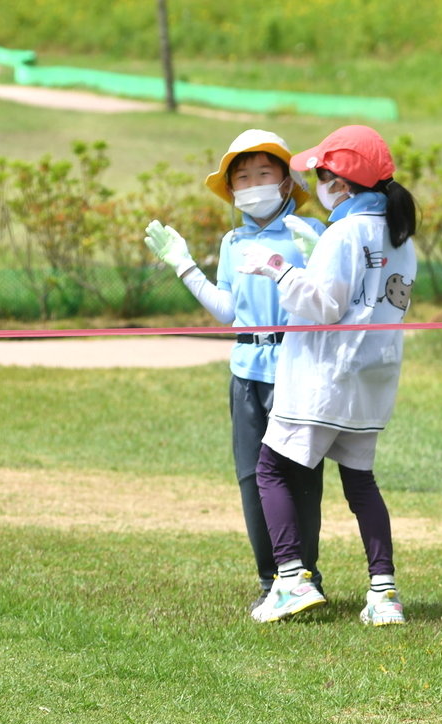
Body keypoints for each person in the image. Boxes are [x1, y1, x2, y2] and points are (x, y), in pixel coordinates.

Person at [237, 125, 417, 627]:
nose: (315, 183)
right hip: (371, 381)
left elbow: (323, 305)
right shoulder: (399, 235)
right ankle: (384, 593)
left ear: (341, 183)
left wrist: (278, 268)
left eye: (320, 174)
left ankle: (290, 578)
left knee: (270, 468)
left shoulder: (345, 232)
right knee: (360, 483)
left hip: (324, 376)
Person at [143, 130, 326, 614]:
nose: (252, 184)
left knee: (300, 476)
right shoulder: (232, 241)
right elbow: (228, 311)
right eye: (241, 178)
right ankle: (272, 580)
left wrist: (316, 255)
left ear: (286, 181)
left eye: (263, 173)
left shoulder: (309, 234)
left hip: (299, 370)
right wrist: (184, 266)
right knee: (252, 477)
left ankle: (305, 573)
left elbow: (328, 301)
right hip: (247, 371)